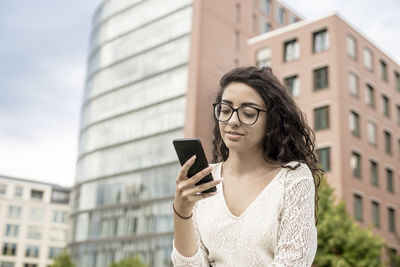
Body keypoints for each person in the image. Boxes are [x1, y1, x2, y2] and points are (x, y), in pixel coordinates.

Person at [170, 66, 323, 266]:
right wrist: (182, 210)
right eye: (225, 110)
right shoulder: (204, 179)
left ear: (271, 122)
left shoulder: (293, 178)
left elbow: (292, 263)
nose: (232, 121)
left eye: (248, 113)